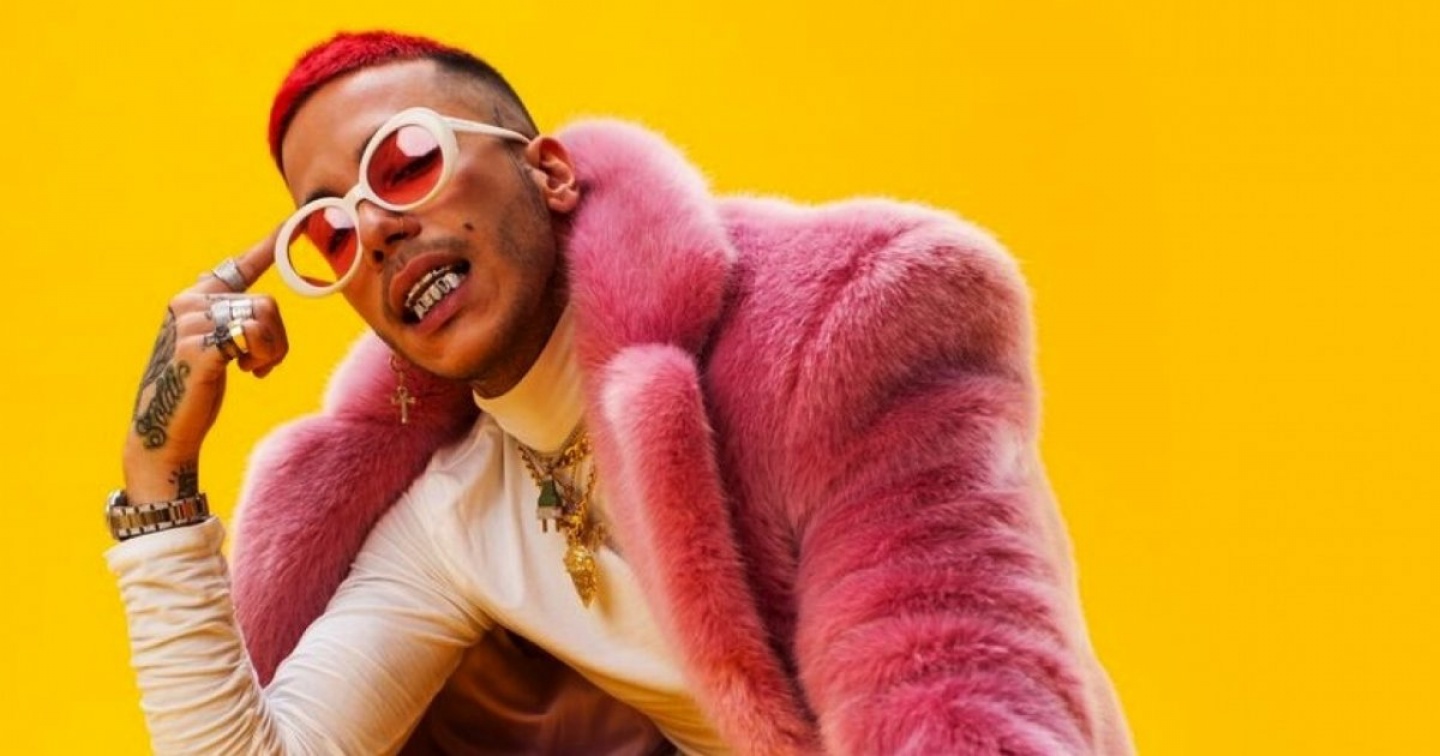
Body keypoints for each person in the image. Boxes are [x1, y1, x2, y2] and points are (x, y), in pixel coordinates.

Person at [108, 30, 1133, 755]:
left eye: (407, 162)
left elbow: (952, 693)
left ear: (551, 173)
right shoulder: (455, 517)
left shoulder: (845, 321)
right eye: (328, 230)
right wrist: (159, 479)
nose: (373, 229)